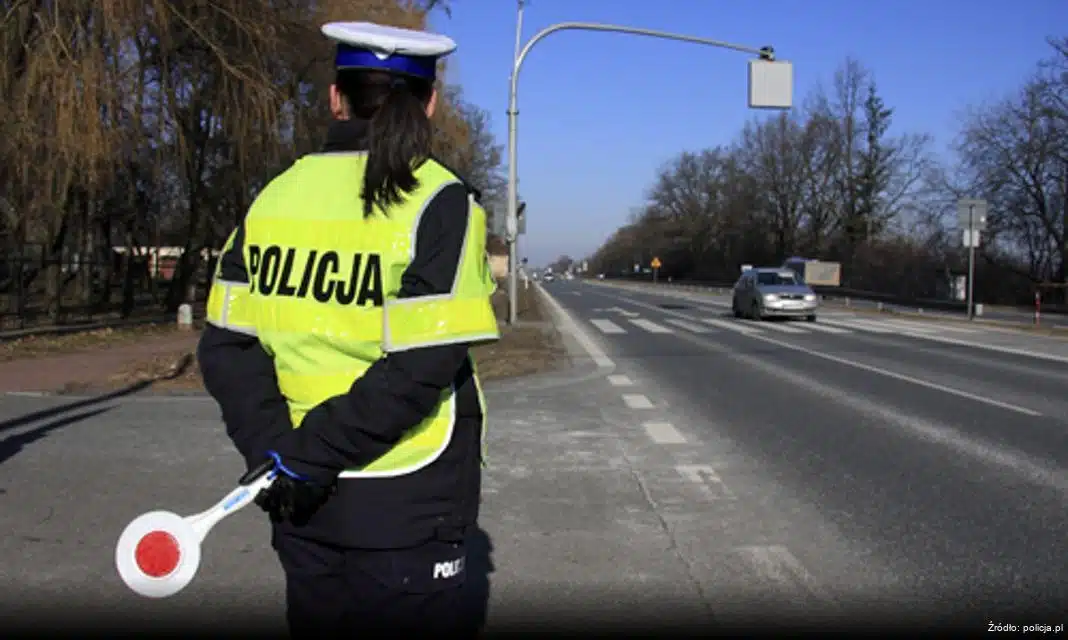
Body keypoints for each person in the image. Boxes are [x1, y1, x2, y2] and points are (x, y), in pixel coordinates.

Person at [196, 21, 500, 637]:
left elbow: (228, 346)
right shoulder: (441, 201)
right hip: (405, 496)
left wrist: (278, 452)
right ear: (431, 104)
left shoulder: (274, 198)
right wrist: (304, 458)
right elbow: (423, 367)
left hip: (297, 497)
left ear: (336, 98)